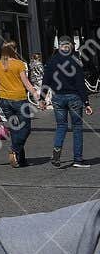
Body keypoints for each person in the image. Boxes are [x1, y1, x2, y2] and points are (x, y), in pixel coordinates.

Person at [43, 37, 92, 169]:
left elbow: (46, 80)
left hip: (58, 97)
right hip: (74, 97)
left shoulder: (52, 60)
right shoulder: (75, 60)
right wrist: (86, 102)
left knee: (61, 126)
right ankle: (77, 159)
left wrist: (42, 99)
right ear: (70, 46)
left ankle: (56, 154)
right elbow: (80, 82)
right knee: (77, 128)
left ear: (59, 46)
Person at [0, 41, 40, 169]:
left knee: (15, 129)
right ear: (14, 50)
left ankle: (20, 160)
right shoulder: (19, 64)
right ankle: (14, 149)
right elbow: (26, 82)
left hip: (4, 101)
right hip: (19, 100)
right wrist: (35, 93)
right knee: (26, 128)